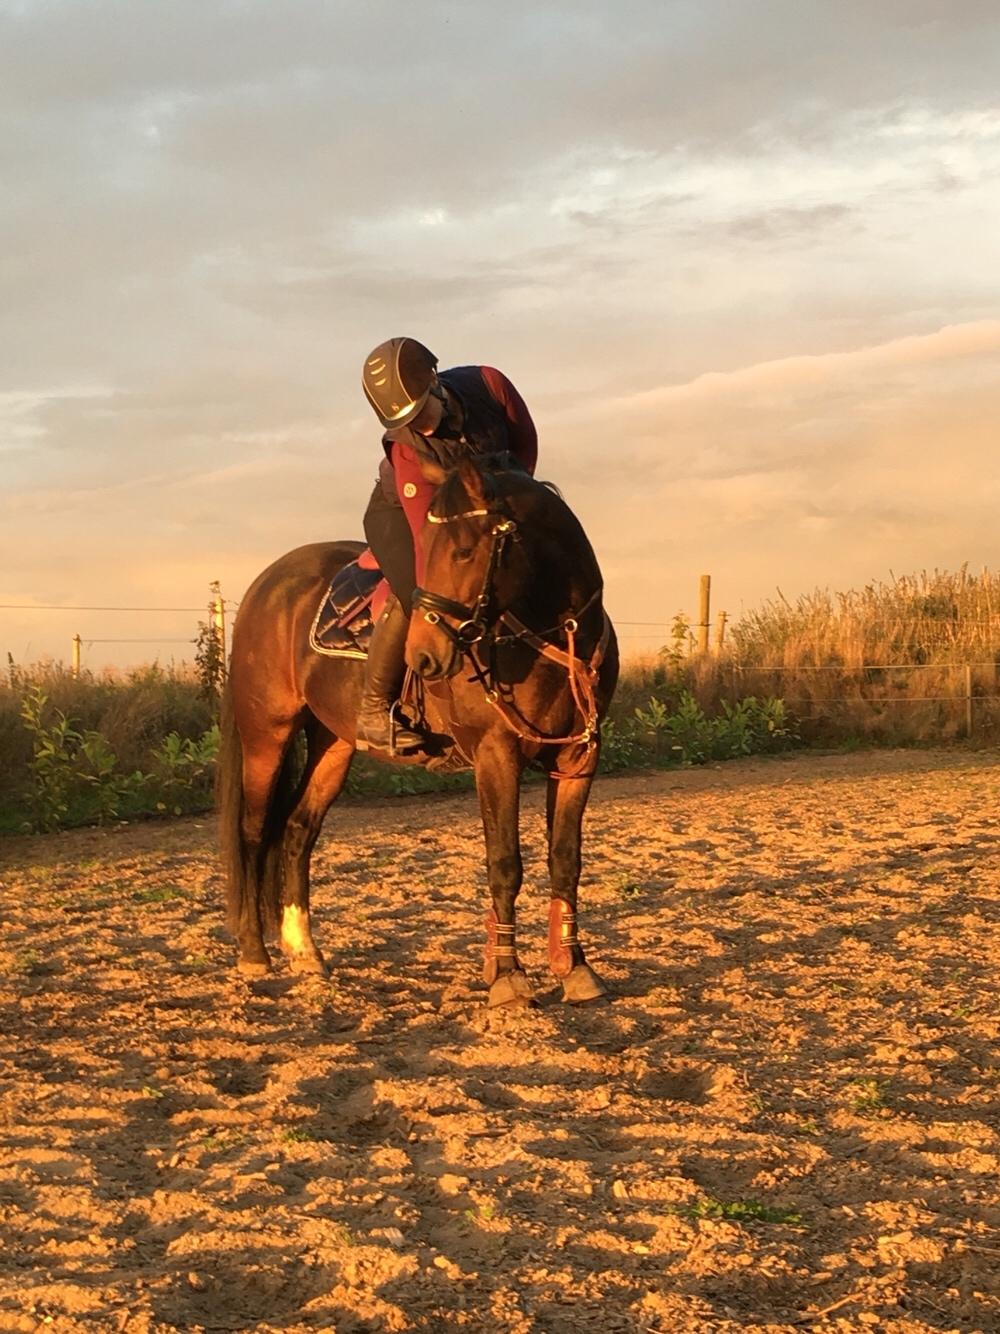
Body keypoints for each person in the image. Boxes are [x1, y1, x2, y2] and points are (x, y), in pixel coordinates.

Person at [357, 337, 538, 753]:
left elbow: (524, 447)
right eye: (405, 420)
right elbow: (428, 538)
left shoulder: (491, 385)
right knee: (420, 592)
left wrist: (512, 504)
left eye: (421, 412)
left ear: (435, 383)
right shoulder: (408, 450)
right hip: (403, 517)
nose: (418, 425)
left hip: (483, 504)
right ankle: (373, 709)